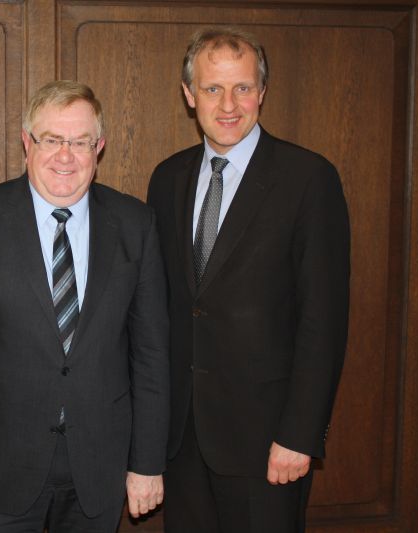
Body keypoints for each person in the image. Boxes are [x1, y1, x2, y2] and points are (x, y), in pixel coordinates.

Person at [0, 80, 170, 532]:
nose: (65, 155)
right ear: (26, 142)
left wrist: (147, 463)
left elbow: (151, 356)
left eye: (80, 142)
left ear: (100, 147)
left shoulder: (136, 224)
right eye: (52, 139)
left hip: (100, 466)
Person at [147, 27, 350, 532]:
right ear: (189, 95)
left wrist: (300, 434)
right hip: (182, 439)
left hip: (268, 442)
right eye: (213, 89)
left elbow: (322, 320)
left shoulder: (308, 178)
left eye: (242, 87)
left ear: (262, 92)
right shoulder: (166, 178)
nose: (229, 104)